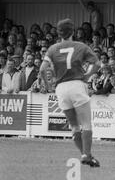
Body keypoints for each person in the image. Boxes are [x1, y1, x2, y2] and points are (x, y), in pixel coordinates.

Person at [40, 18, 101, 167]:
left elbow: (42, 69)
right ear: (73, 31)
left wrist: (48, 86)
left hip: (61, 88)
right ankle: (87, 154)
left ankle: (85, 155)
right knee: (86, 124)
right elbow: (97, 64)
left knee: (74, 126)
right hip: (77, 85)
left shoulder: (53, 49)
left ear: (59, 32)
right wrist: (87, 75)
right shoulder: (81, 46)